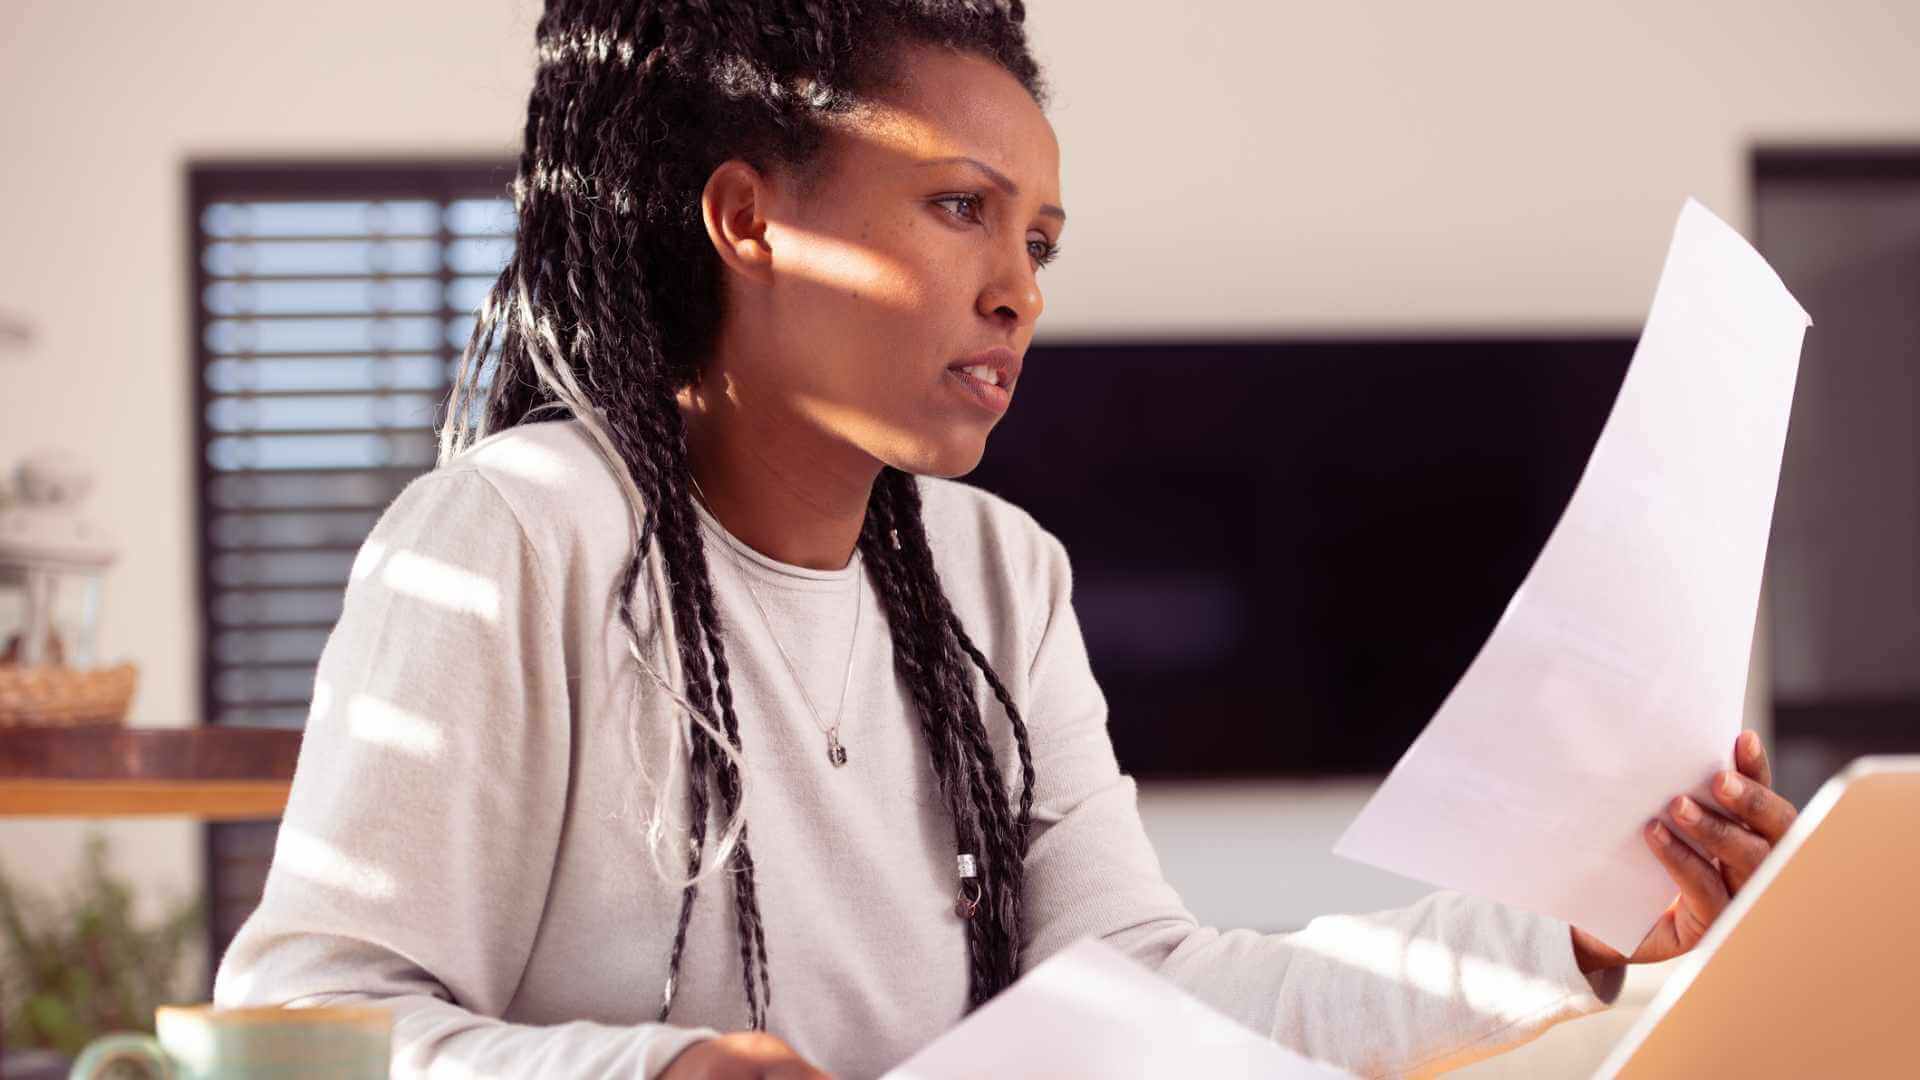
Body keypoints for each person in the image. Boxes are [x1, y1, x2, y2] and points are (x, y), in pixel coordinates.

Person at [211, 2, 1801, 1077]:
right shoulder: (510, 542)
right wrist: (656, 1067)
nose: (1021, 290)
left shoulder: (999, 578)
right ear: (748, 219)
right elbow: (305, 1018)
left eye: (1039, 240)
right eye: (961, 209)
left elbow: (1149, 994)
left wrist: (1572, 931)